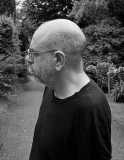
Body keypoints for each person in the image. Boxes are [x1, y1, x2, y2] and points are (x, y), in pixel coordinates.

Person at [25, 19, 112, 160]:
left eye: (34, 53)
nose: (28, 59)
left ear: (58, 59)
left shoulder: (90, 111)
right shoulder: (52, 87)